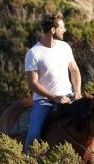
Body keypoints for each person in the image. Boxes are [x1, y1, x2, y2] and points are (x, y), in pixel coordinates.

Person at [23, 11, 82, 152]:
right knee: (34, 135)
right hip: (44, 101)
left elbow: (74, 70)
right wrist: (54, 97)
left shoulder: (65, 47)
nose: (65, 30)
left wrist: (78, 91)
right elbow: (33, 84)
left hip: (69, 97)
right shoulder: (34, 53)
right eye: (62, 27)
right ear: (53, 30)